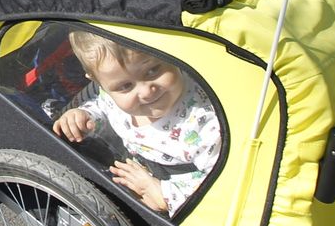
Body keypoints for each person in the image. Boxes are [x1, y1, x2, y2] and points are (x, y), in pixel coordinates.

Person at [52, 31, 221, 215]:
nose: (146, 92)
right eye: (125, 86)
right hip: (140, 170)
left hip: (176, 192)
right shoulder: (110, 95)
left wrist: (164, 194)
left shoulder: (202, 123)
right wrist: (85, 115)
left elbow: (222, 185)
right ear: (99, 83)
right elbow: (104, 106)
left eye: (152, 70)